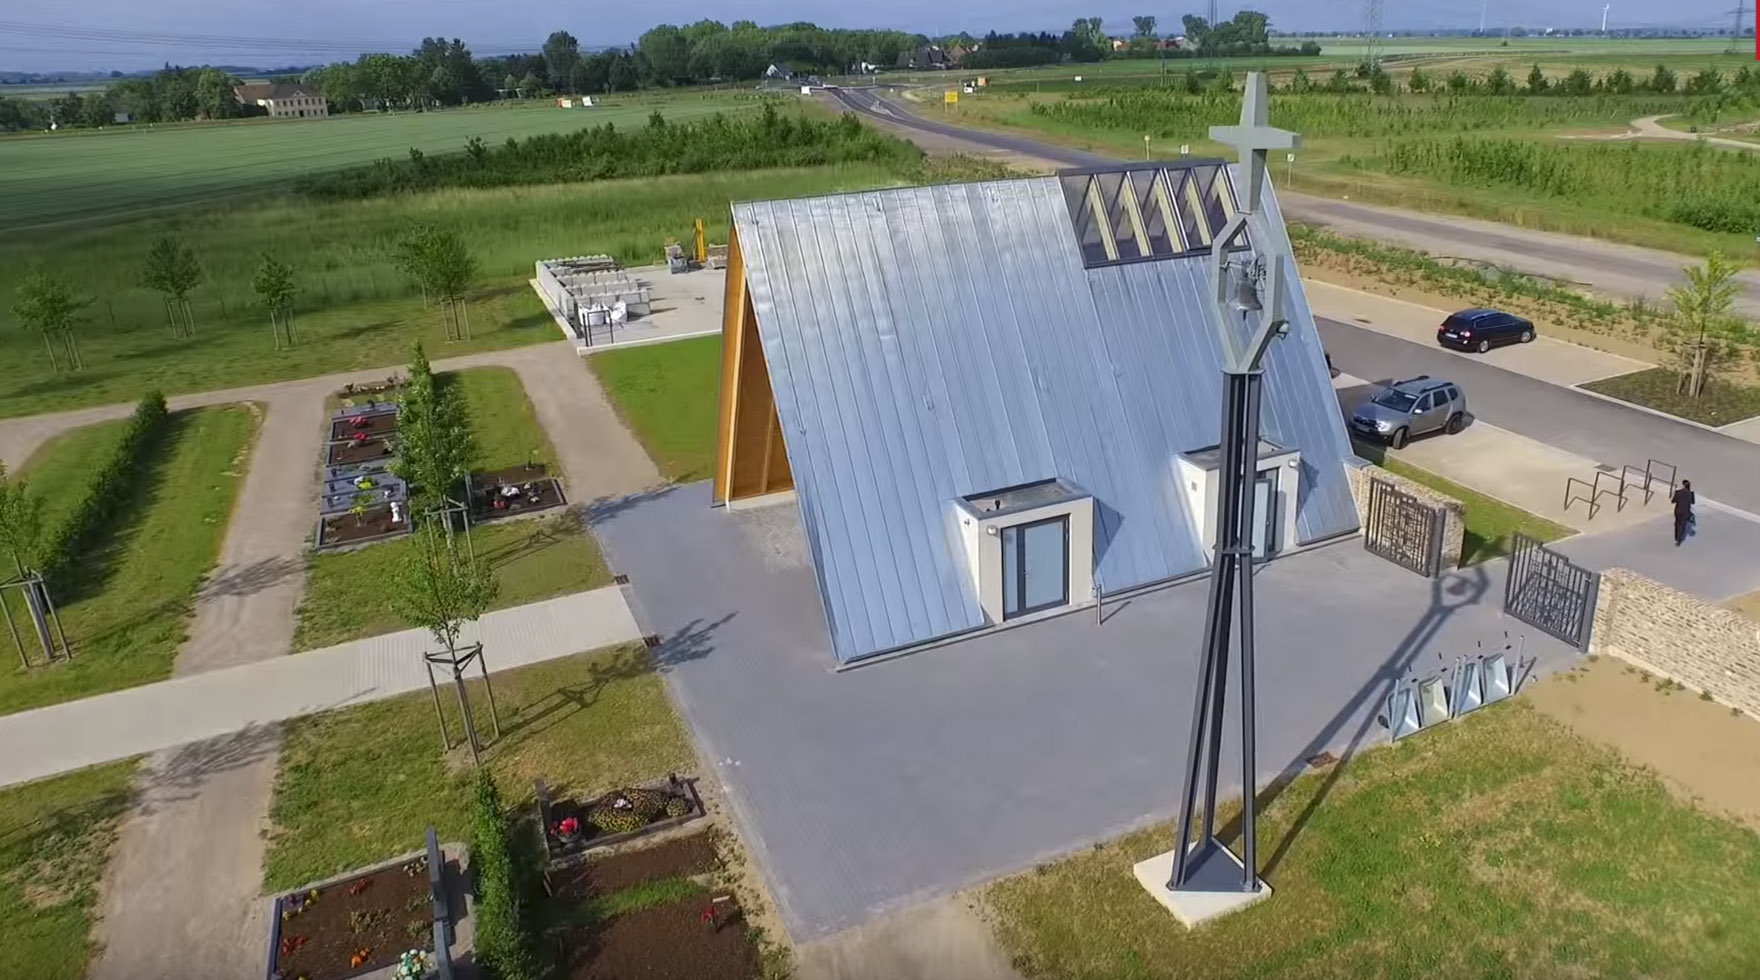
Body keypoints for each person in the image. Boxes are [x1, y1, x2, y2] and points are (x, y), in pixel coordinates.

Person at [1672, 479, 1696, 546]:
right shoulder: (1691, 494)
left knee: (1677, 523)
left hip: (1678, 510)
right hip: (1685, 511)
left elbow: (1673, 501)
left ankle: (1677, 537)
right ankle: (1679, 540)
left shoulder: (1678, 492)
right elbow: (1693, 502)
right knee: (1682, 525)